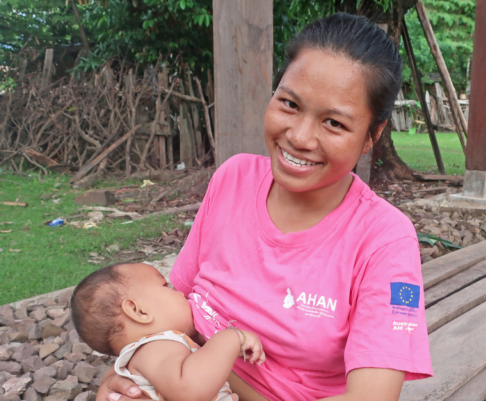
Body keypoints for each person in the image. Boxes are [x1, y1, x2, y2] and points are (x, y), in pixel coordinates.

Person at [98, 13, 433, 401]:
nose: (300, 137)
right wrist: (128, 372)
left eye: (334, 124)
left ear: (371, 136)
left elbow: (370, 398)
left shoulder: (384, 239)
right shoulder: (233, 179)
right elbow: (176, 308)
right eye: (289, 103)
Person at [71, 263, 267, 401]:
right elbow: (189, 390)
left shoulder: (147, 354)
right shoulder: (156, 346)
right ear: (138, 311)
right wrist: (230, 337)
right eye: (166, 286)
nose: (181, 292)